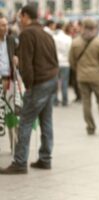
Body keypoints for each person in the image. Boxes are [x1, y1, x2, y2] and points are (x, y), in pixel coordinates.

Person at [0, 5, 59, 174]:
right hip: (50, 80)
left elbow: (25, 63)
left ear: (25, 16)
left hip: (39, 82)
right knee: (46, 120)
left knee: (25, 121)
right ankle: (45, 158)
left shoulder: (27, 34)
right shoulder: (46, 34)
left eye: (20, 16)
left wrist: (28, 85)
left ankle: (19, 162)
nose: (19, 19)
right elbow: (54, 59)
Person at [0, 14, 19, 149]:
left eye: (6, 24)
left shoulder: (11, 40)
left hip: (9, 80)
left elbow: (18, 54)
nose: (6, 27)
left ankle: (14, 145)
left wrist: (17, 58)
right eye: (2, 25)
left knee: (12, 113)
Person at [53, 22, 72, 106]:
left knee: (55, 82)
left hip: (56, 62)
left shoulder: (54, 37)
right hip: (66, 62)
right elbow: (70, 51)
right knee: (64, 82)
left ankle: (55, 100)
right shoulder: (68, 38)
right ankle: (65, 100)